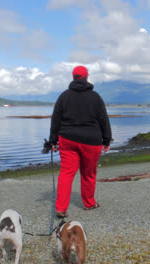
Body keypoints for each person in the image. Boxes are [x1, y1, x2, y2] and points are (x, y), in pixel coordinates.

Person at [49, 65, 112, 218]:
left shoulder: (64, 96)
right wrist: (107, 140)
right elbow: (104, 119)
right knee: (88, 173)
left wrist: (53, 141)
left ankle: (61, 208)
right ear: (86, 77)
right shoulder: (95, 97)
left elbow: (55, 119)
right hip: (92, 141)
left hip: (67, 140)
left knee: (66, 173)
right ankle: (89, 203)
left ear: (73, 77)